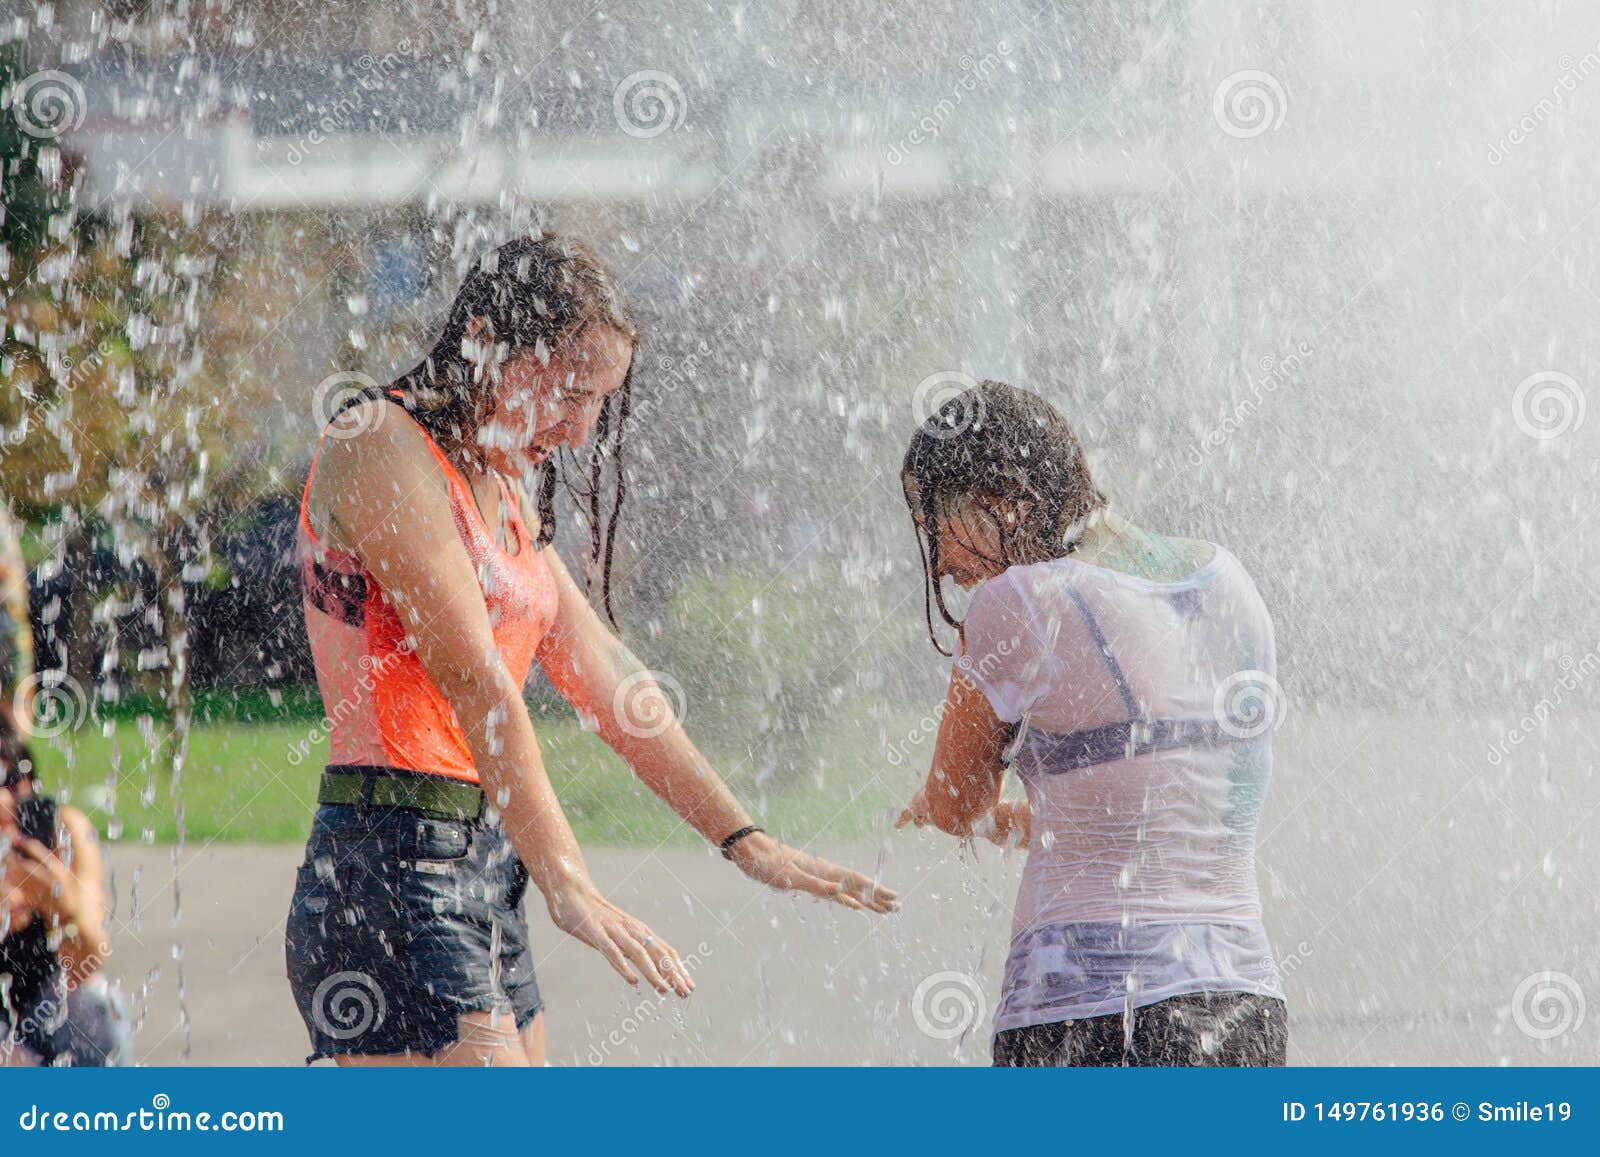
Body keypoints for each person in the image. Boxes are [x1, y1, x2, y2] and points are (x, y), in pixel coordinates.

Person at [287, 233, 898, 1067]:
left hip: (486, 865)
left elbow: (605, 674)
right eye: (572, 391)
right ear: (489, 350)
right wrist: (572, 884)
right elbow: (478, 683)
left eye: (600, 401)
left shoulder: (498, 481)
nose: (581, 430)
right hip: (391, 861)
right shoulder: (379, 442)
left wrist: (742, 836)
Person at [893, 380, 1286, 1067]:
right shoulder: (1231, 583)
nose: (942, 562)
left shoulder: (1020, 601)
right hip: (1241, 1003)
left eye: (938, 524)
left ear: (1005, 501)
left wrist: (935, 805)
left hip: (1087, 1009)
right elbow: (1198, 803)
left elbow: (958, 802)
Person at [1, 705, 128, 1066]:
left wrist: (58, 904)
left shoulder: (63, 831)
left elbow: (88, 962)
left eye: (12, 781)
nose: (5, 800)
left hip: (57, 997)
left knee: (82, 1020)